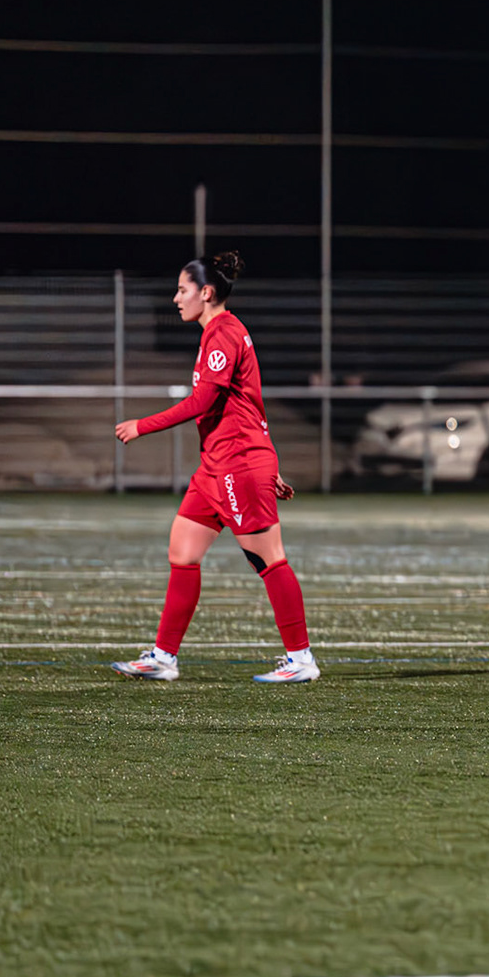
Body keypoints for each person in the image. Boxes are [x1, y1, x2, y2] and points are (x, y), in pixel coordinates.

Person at [109, 252, 319, 684]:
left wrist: (142, 425)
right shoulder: (218, 332)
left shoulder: (223, 332)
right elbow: (248, 404)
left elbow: (203, 403)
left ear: (206, 293)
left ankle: (301, 659)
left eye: (182, 290)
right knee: (182, 550)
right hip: (219, 464)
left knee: (269, 559)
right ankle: (164, 657)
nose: (175, 298)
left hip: (237, 464)